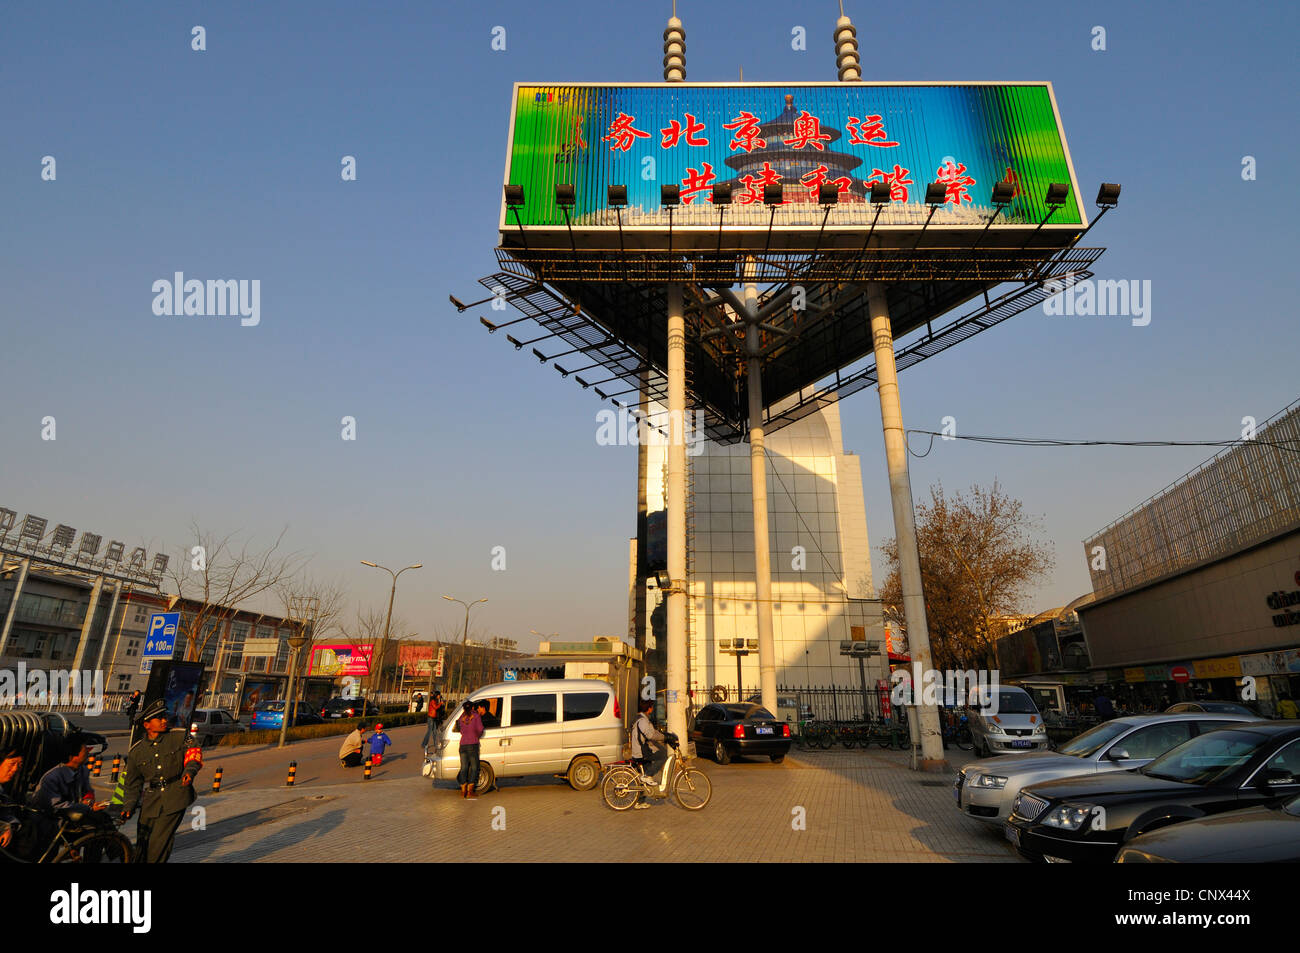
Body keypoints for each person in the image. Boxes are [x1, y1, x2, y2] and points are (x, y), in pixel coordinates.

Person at [115, 700, 203, 863]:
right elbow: (132, 784)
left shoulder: (178, 736)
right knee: (142, 842)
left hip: (176, 795)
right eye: (159, 718)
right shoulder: (137, 751)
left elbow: (194, 753)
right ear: (147, 724)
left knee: (158, 843)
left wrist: (189, 772)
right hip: (152, 800)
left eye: (164, 717)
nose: (164, 721)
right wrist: (128, 806)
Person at [35, 734, 103, 813]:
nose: (88, 752)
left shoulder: (83, 770)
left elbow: (88, 791)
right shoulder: (52, 778)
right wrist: (87, 809)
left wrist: (89, 801)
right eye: (85, 750)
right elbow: (57, 807)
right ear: (72, 756)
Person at [630, 699, 671, 810]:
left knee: (644, 779)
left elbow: (653, 732)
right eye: (652, 707)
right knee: (663, 755)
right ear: (649, 708)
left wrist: (664, 735)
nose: (652, 709)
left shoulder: (643, 719)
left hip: (642, 750)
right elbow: (650, 735)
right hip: (641, 752)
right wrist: (665, 737)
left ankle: (639, 802)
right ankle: (647, 776)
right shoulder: (643, 721)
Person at [456, 701, 484, 799]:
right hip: (472, 744)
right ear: (472, 708)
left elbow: (460, 729)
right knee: (474, 767)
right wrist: (476, 736)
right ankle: (469, 791)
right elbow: (480, 729)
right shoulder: (476, 716)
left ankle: (463, 790)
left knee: (464, 767)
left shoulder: (461, 718)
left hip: (463, 745)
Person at [0, 748, 24, 853]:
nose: (15, 769)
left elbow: (7, 813)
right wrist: (5, 828)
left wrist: (12, 826)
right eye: (12, 764)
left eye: (19, 765)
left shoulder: (5, 790)